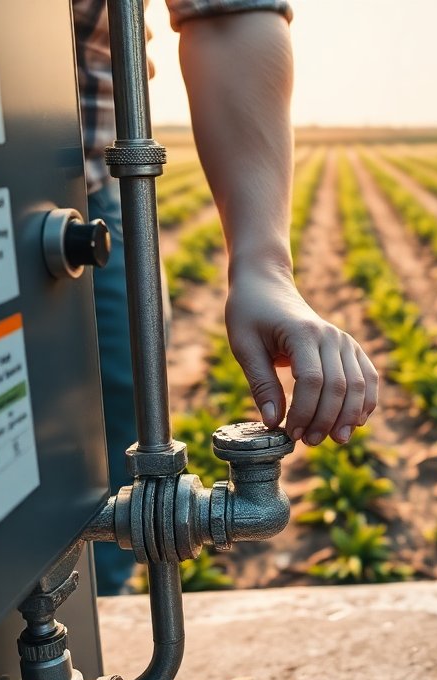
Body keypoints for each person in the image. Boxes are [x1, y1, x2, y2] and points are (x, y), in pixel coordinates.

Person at [74, 1, 378, 595]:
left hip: (85, 196)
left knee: (110, 429)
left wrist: (264, 266)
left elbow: (229, 13)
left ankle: (90, 625)